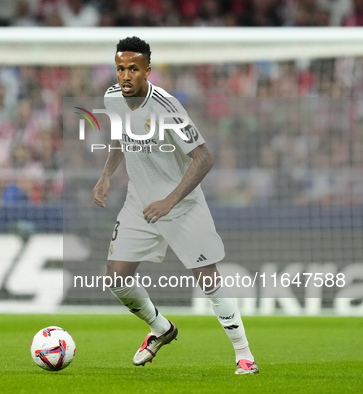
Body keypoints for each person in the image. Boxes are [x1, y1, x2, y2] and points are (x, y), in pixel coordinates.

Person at [92, 36, 258, 375]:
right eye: (120, 68)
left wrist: (170, 200)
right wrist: (106, 174)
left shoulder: (167, 108)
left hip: (181, 204)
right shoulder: (112, 98)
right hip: (140, 201)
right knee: (116, 277)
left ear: (148, 71)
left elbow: (204, 157)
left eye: (133, 69)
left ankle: (244, 355)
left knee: (208, 279)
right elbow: (119, 137)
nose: (125, 75)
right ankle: (160, 329)